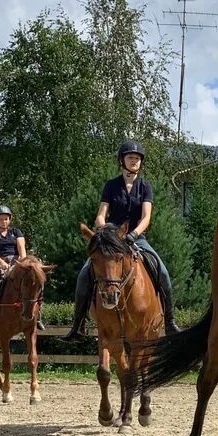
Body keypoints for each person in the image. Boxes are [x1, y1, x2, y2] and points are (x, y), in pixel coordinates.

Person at [62, 140, 181, 339]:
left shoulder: (145, 187)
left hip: (137, 239)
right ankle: (78, 324)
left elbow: (146, 217)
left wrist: (133, 234)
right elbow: (101, 215)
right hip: (111, 241)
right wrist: (104, 230)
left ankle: (169, 322)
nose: (134, 161)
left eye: (137, 158)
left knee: (163, 271)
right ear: (122, 160)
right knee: (84, 274)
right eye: (130, 157)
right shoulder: (111, 185)